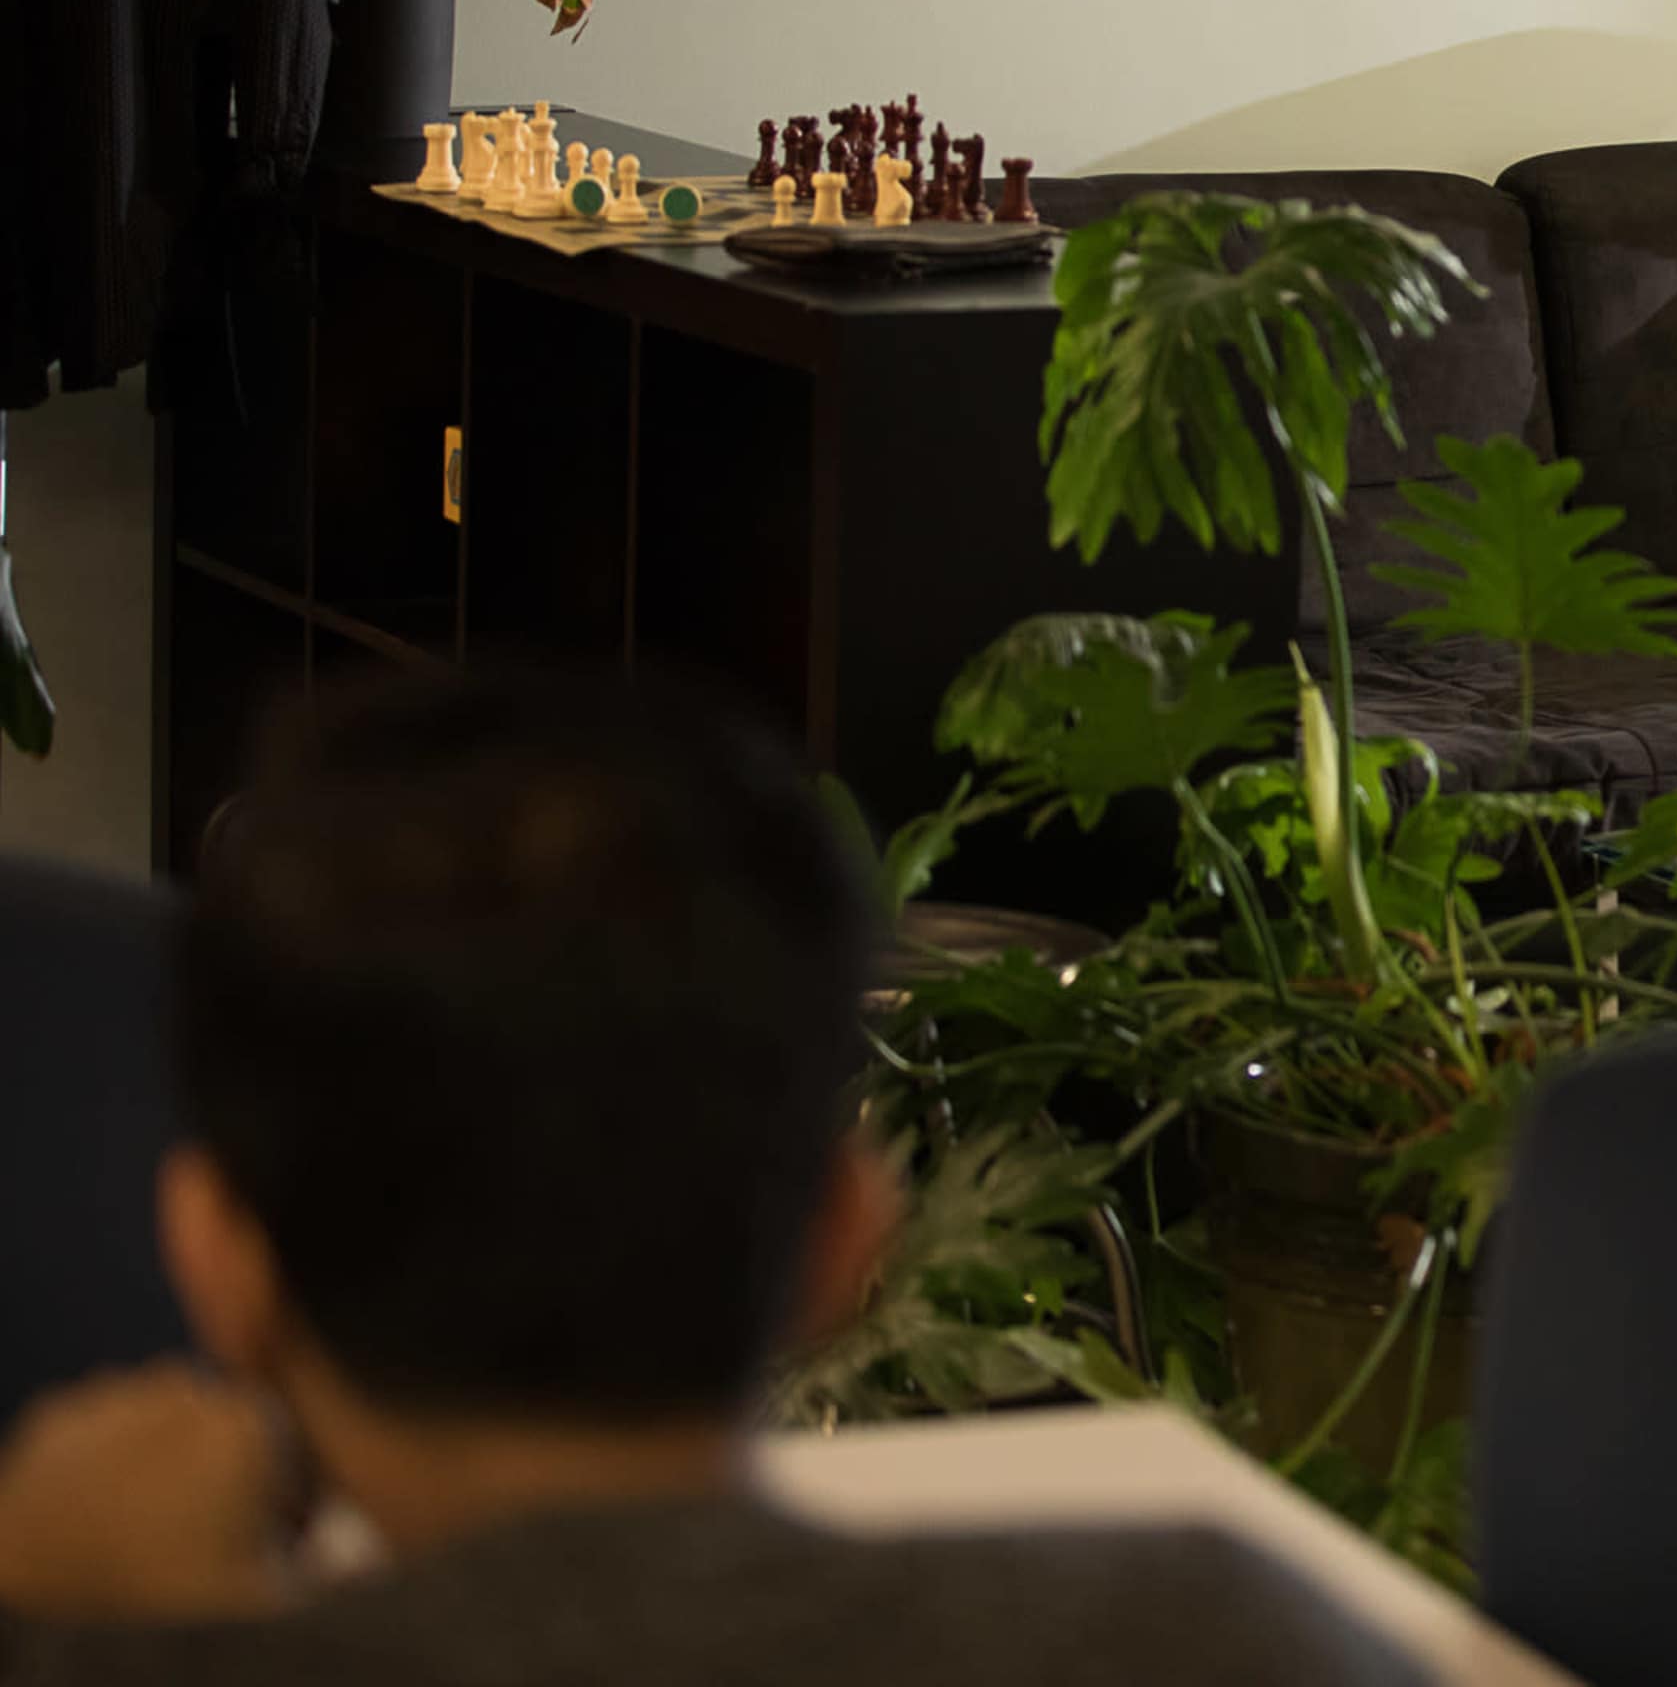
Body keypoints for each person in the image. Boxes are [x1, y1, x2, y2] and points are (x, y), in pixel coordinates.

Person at [0, 670, 1423, 1687]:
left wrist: (126, 1623)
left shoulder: (101, 1635)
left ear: (218, 1257)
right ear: (850, 1235)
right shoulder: (1218, 1640)